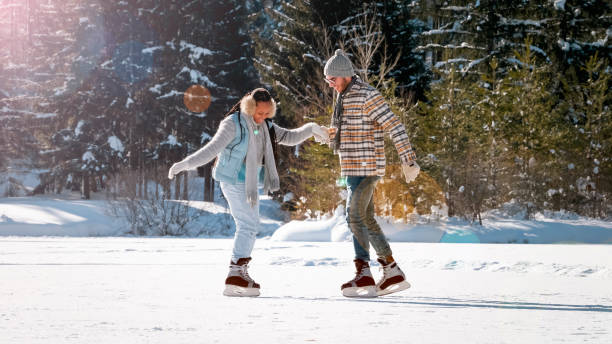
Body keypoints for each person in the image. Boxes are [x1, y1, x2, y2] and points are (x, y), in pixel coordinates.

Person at [168, 88, 329, 297]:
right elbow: (212, 149)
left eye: (266, 114)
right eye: (259, 113)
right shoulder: (232, 124)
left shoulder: (266, 126)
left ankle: (238, 273)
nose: (262, 118)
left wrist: (311, 128)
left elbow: (289, 137)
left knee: (251, 226)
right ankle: (236, 274)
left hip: (250, 184)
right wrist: (185, 164)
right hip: (232, 181)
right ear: (249, 107)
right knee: (247, 225)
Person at [322, 49, 420, 297]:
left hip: (368, 167)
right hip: (351, 166)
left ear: (344, 75)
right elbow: (347, 129)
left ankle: (363, 273)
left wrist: (409, 160)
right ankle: (391, 270)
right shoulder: (342, 98)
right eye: (328, 81)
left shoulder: (368, 95)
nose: (330, 84)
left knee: (353, 215)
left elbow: (394, 125)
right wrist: (330, 134)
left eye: (332, 79)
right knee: (365, 218)